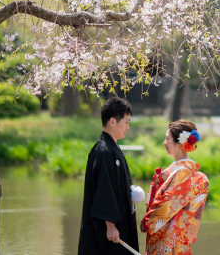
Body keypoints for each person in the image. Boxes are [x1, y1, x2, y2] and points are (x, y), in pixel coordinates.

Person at [78, 96, 140, 255]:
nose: (128, 127)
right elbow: (104, 189)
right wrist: (110, 225)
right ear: (112, 122)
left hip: (117, 227)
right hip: (107, 231)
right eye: (126, 122)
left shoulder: (112, 148)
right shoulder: (104, 150)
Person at [141, 120, 210, 255]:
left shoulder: (184, 172)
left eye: (167, 139)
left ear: (179, 143)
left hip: (170, 239)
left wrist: (148, 221)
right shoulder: (181, 170)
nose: (164, 143)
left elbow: (168, 204)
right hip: (169, 236)